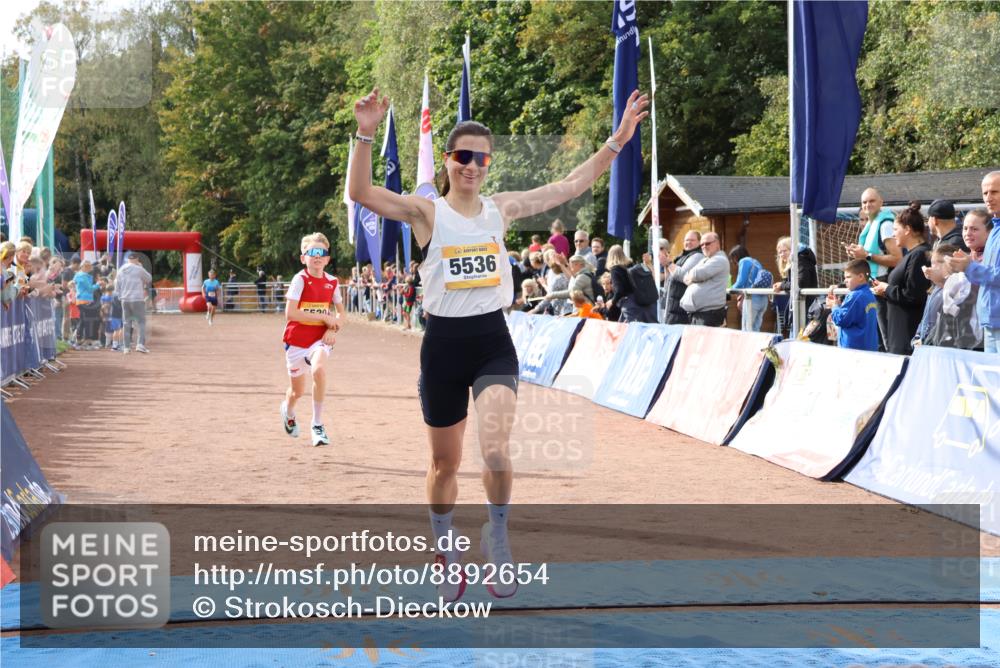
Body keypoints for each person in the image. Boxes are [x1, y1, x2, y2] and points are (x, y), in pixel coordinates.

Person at [348, 85, 648, 602]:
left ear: (488, 164)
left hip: (492, 341)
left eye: (480, 158)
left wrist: (618, 139)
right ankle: (444, 546)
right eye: (463, 156)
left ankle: (499, 535)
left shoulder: (501, 209)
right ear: (448, 161)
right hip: (442, 347)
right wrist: (366, 133)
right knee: (444, 465)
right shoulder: (426, 212)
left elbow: (571, 185)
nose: (472, 166)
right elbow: (361, 194)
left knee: (495, 452)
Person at [280, 233, 345, 447]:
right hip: (296, 342)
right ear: (303, 258)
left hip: (320, 340)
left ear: (327, 259)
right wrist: (325, 317)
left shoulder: (333, 282)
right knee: (297, 392)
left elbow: (341, 315)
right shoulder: (300, 280)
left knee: (318, 370)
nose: (317, 257)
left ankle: (317, 424)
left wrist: (333, 329)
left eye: (322, 253)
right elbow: (291, 313)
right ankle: (288, 410)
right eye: (312, 253)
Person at [944, 172, 1000, 353]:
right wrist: (964, 267)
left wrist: (970, 267)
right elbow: (988, 273)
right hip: (990, 320)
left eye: (995, 192)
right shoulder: (995, 230)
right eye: (985, 193)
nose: (988, 198)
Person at [871, 202, 932, 355]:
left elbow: (914, 295)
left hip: (907, 334)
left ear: (907, 230)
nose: (893, 234)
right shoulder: (911, 255)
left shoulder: (919, 255)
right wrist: (885, 290)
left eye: (895, 230)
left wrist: (887, 289)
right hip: (899, 332)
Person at [847, 188, 902, 349]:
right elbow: (867, 256)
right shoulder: (870, 224)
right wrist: (858, 254)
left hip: (883, 285)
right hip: (872, 285)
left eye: (871, 201)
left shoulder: (885, 224)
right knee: (876, 337)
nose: (867, 205)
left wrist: (866, 255)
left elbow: (897, 258)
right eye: (864, 202)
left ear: (881, 202)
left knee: (886, 337)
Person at [827, 259, 878, 352]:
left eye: (848, 277)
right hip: (868, 348)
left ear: (861, 276)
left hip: (853, 351)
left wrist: (834, 306)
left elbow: (841, 320)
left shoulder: (855, 296)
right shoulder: (869, 294)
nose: (845, 280)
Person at [680, 232, 730, 327]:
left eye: (707, 243)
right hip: (700, 313)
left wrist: (693, 277)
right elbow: (686, 278)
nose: (704, 246)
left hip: (709, 314)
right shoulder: (705, 260)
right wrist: (693, 276)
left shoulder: (720, 259)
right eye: (702, 244)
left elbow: (696, 274)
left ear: (717, 244)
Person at [661, 230, 703, 325]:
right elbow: (669, 280)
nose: (688, 242)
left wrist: (668, 263)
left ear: (699, 242)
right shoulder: (682, 256)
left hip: (682, 308)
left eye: (692, 240)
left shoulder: (697, 256)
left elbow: (684, 276)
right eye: (686, 240)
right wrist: (666, 265)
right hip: (674, 305)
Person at [115, 252, 153, 354]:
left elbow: (116, 284)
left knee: (126, 323)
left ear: (128, 259)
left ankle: (126, 347)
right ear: (136, 260)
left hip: (125, 299)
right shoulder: (138, 269)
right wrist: (141, 266)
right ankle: (140, 344)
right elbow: (149, 278)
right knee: (141, 322)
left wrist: (120, 296)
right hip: (137, 298)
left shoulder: (121, 270)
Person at [728, 245, 770, 332]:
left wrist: (729, 290)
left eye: (733, 258)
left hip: (752, 300)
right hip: (763, 299)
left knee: (747, 330)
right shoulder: (756, 262)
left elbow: (740, 282)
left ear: (736, 256)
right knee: (756, 329)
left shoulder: (744, 261)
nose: (733, 261)